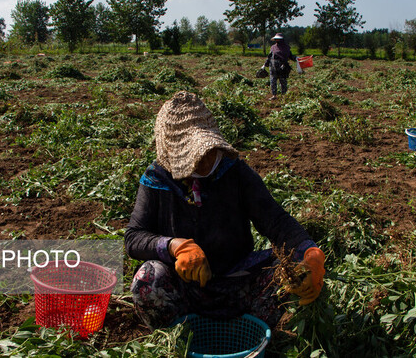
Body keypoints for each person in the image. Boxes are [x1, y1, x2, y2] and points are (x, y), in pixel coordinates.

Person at [125, 90, 325, 330]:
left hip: (238, 280)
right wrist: (174, 246)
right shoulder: (157, 179)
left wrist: (308, 250)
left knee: (291, 273)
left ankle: (255, 327)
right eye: (195, 157)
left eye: (207, 151)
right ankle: (181, 332)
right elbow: (134, 237)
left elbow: (275, 220)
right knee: (147, 280)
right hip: (184, 286)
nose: (206, 161)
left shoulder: (235, 172)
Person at [263, 33, 297, 100]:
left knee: (283, 81)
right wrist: (265, 64)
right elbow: (269, 57)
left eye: (278, 39)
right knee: (273, 81)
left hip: (283, 67)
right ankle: (274, 95)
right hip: (273, 67)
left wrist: (297, 59)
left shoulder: (286, 48)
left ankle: (284, 95)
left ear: (282, 40)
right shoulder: (273, 47)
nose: (277, 41)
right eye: (276, 39)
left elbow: (290, 56)